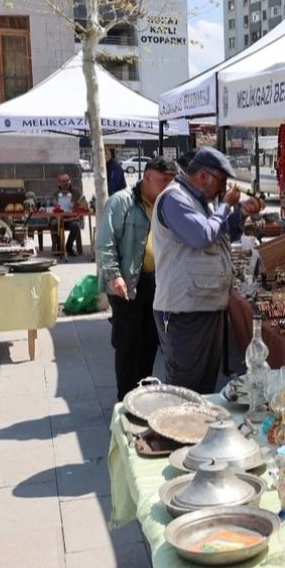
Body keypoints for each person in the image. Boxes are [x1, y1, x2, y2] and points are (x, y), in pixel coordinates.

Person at [152, 147, 264, 394]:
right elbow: (202, 236)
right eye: (221, 181)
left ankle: (198, 432)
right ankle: (178, 433)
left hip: (205, 304)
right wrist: (225, 206)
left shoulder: (202, 201)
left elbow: (221, 235)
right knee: (185, 391)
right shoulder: (175, 198)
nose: (224, 188)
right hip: (184, 310)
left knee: (203, 388)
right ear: (203, 176)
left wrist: (241, 213)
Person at [96, 156, 176, 400]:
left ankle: (142, 394)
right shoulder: (122, 202)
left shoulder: (166, 204)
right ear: (148, 177)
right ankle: (125, 398)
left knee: (151, 341)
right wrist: (114, 275)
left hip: (155, 283)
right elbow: (104, 243)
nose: (168, 187)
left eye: (171, 182)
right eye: (163, 181)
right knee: (128, 343)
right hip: (126, 283)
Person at [52, 173, 84, 256]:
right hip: (59, 218)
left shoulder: (76, 192)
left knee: (75, 226)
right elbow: (52, 206)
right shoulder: (55, 193)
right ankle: (60, 247)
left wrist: (77, 206)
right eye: (63, 181)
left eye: (67, 181)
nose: (66, 183)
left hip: (72, 218)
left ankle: (68, 247)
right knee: (54, 224)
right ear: (59, 183)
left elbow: (83, 204)